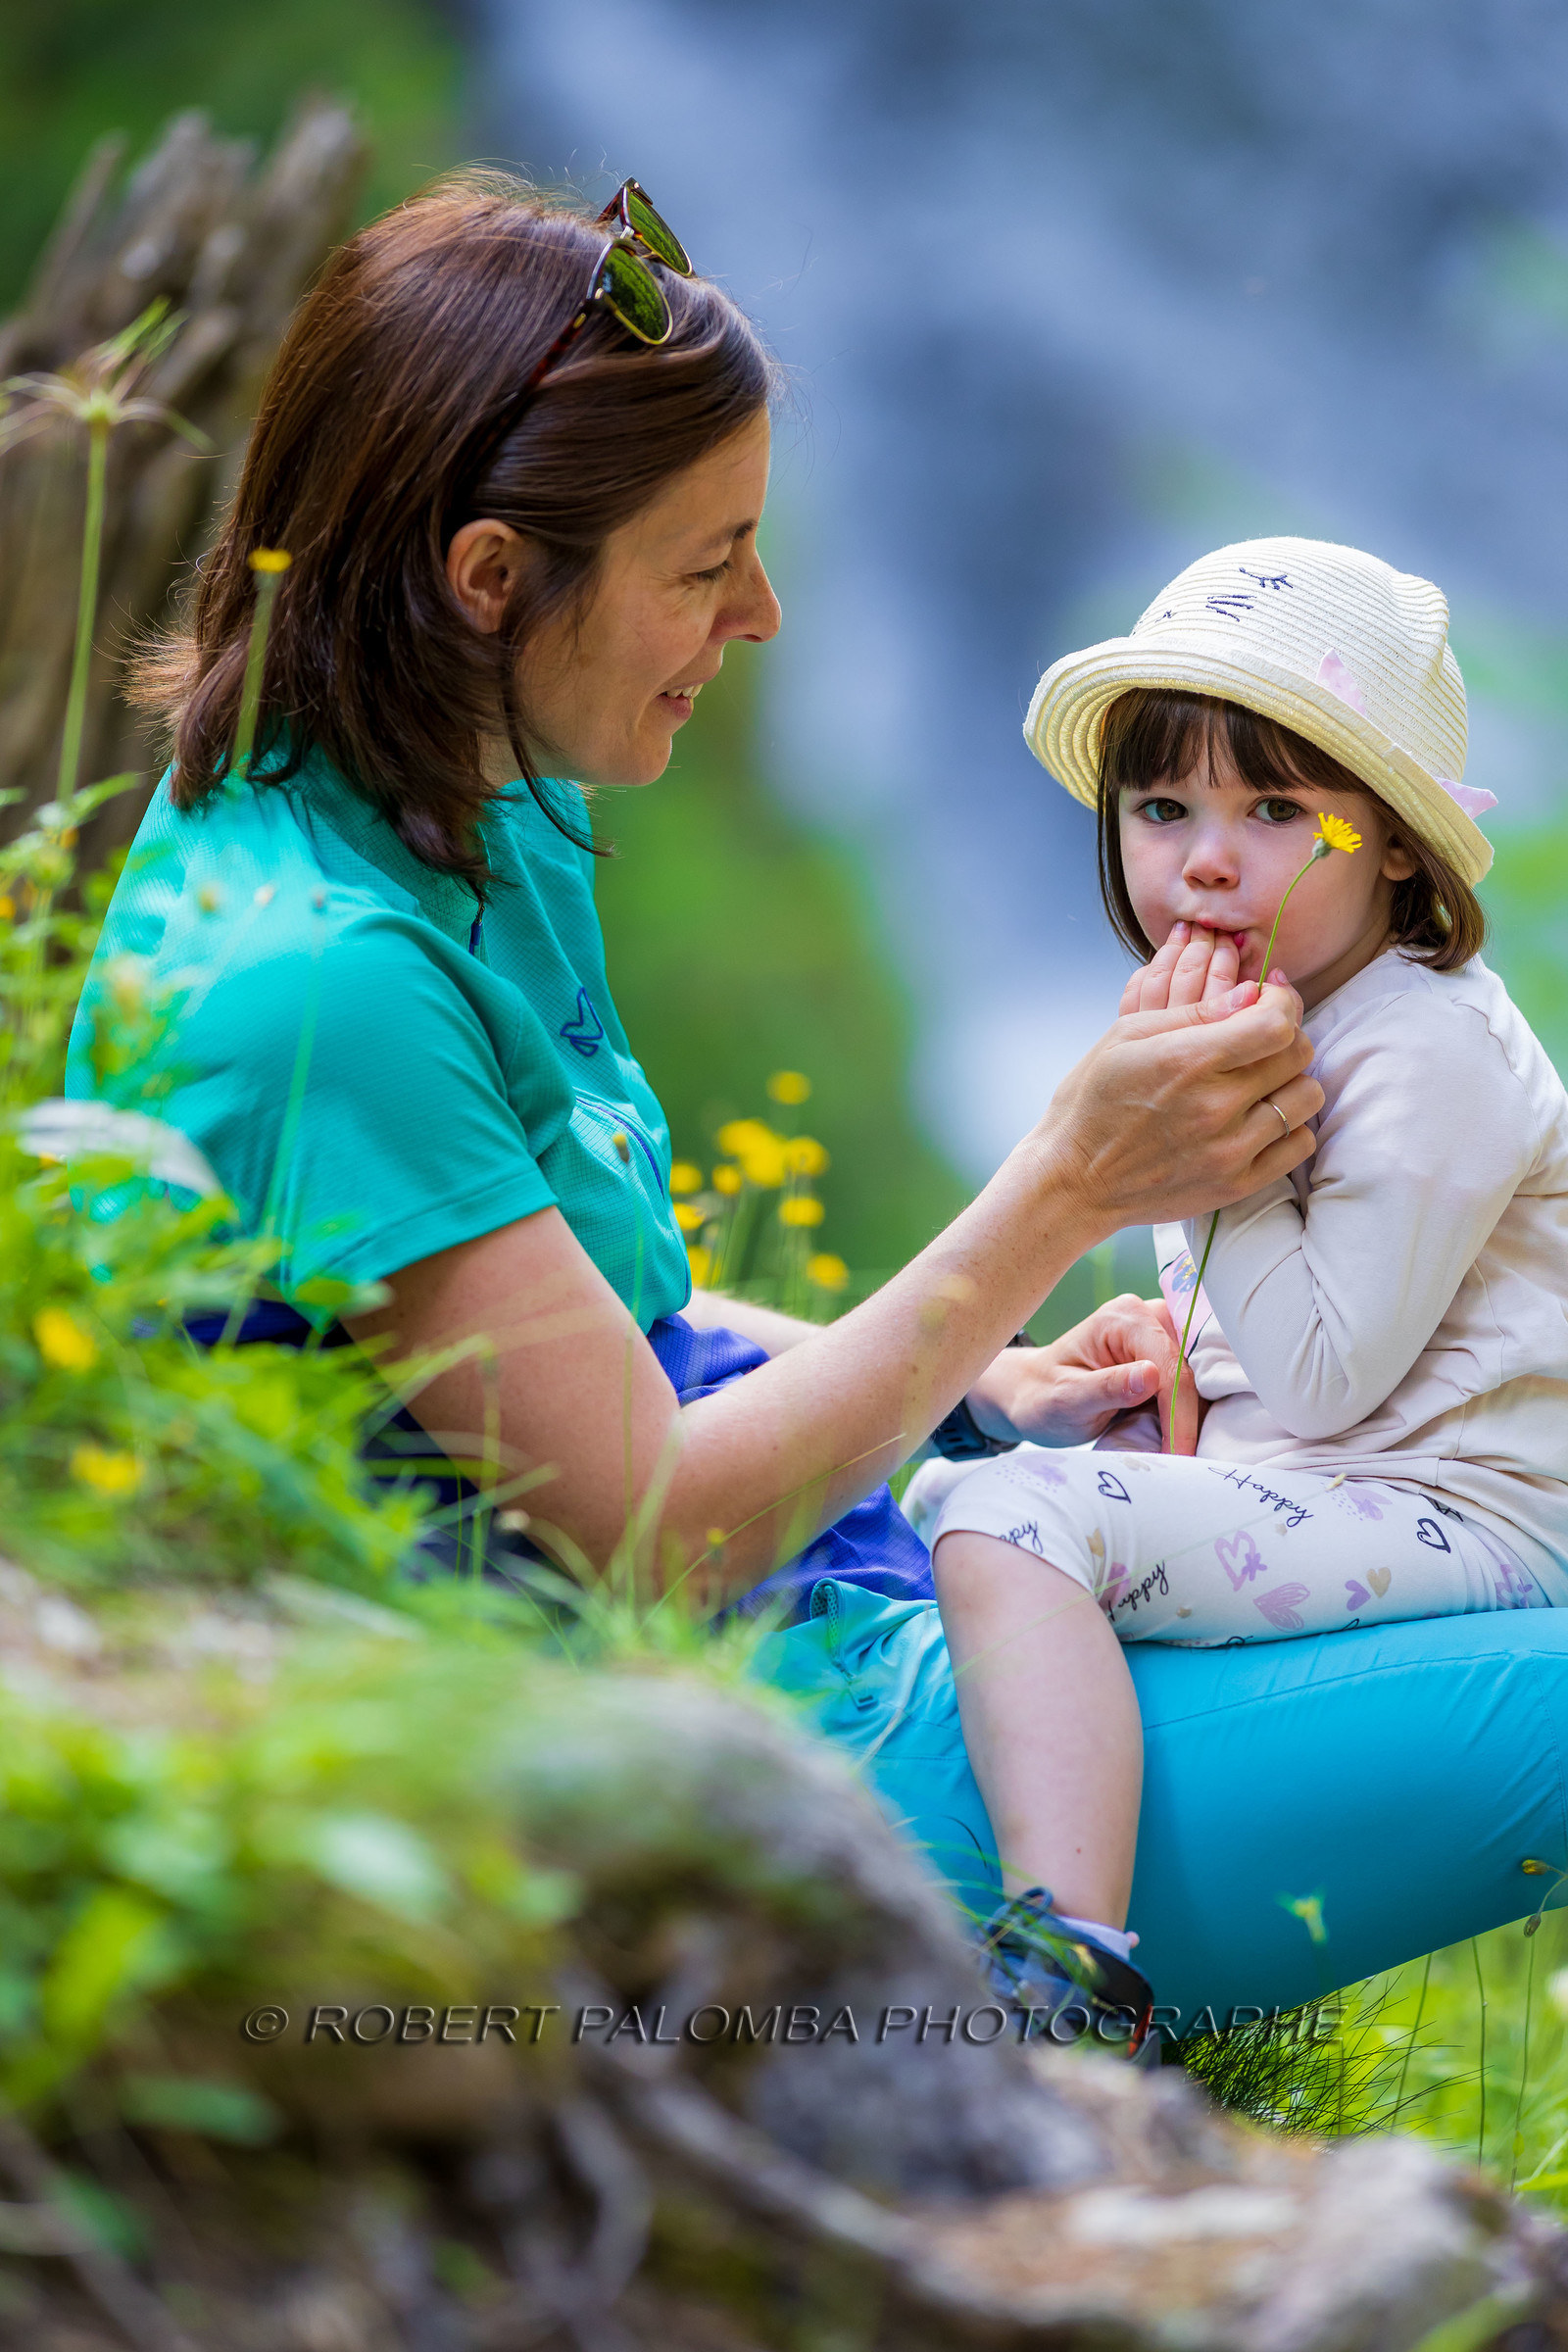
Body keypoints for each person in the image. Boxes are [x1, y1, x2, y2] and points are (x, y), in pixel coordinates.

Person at [64, 177, 1316, 2028]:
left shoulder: (455, 793)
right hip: (633, 1750)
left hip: (748, 1603)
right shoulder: (321, 980)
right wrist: (1059, 1186)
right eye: (703, 562)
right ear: (491, 581)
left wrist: (977, 1395)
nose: (766, 613)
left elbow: (558, 1317)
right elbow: (650, 1537)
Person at [911, 536, 1568, 2029]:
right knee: (1006, 1477)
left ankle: (1070, 1971)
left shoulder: (1429, 1044)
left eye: (1278, 811)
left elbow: (1336, 1376)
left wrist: (1222, 1159)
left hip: (1464, 1517)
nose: (1206, 857)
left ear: (1395, 842)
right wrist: (1168, 1377)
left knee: (997, 1505)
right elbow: (1276, 1363)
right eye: (1163, 807)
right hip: (1340, 1487)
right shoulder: (1274, 1018)